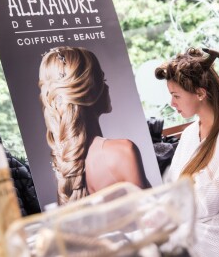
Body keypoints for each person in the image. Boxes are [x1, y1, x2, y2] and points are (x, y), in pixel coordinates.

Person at [155, 48, 219, 257]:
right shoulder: (190, 132)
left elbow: (207, 204)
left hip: (218, 241)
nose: (172, 104)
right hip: (189, 234)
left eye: (176, 96)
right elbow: (173, 184)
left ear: (200, 93)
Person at [39, 46, 149, 205]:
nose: (107, 87)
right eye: (103, 80)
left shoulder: (66, 166)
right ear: (90, 91)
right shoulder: (122, 151)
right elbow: (151, 225)